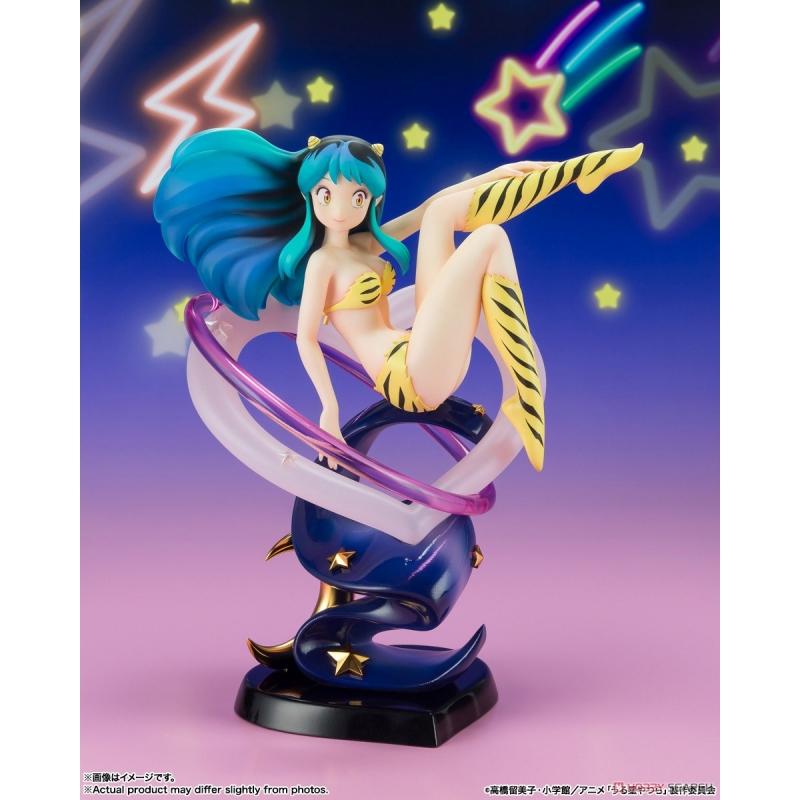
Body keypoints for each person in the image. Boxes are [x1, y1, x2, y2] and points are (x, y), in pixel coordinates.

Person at [155, 130, 642, 473]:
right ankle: (526, 398)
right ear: (310, 197)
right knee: (489, 239)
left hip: (419, 350)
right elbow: (305, 340)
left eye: (356, 197)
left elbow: (432, 207)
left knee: (444, 213)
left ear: (370, 201)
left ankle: (579, 172)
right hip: (407, 377)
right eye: (326, 194)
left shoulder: (366, 246)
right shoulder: (321, 263)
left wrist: (496, 174)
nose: (340, 208)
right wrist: (328, 411)